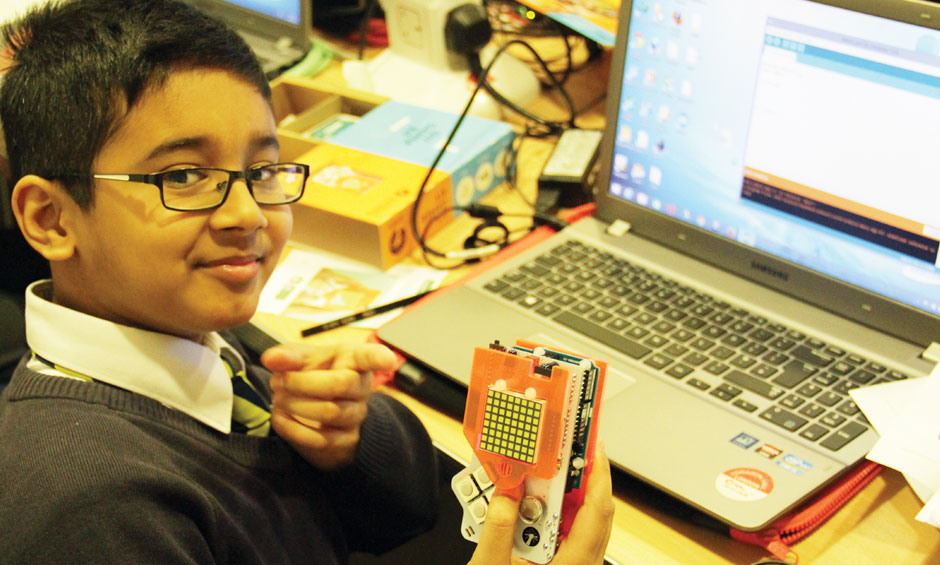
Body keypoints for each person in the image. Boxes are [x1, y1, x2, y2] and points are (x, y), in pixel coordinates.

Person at [0, 0, 613, 563]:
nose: (247, 214)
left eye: (262, 170)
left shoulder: (187, 331)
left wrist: (349, 441)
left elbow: (407, 510)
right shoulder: (86, 517)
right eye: (183, 176)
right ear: (51, 219)